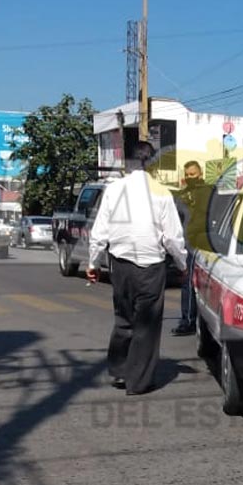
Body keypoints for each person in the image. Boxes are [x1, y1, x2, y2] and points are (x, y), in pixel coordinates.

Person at [86, 141, 188, 395]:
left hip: (119, 264)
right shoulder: (162, 192)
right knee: (147, 324)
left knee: (124, 318)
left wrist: (92, 263)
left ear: (127, 163)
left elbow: (100, 232)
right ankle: (138, 382)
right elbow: (173, 238)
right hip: (151, 266)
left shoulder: (113, 189)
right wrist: (182, 264)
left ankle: (120, 372)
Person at [171, 160, 214, 336]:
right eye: (187, 174)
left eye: (193, 174)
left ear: (200, 173)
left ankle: (198, 322)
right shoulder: (181, 195)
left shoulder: (209, 192)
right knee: (188, 283)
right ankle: (188, 320)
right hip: (187, 244)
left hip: (206, 244)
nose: (190, 178)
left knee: (205, 285)